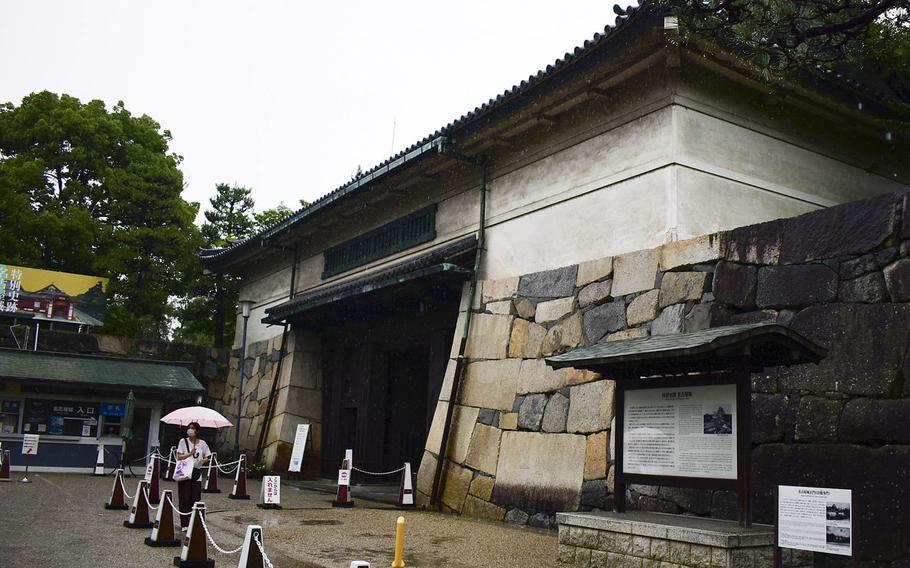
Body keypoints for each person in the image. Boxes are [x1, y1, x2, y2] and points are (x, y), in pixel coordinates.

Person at [175, 421, 211, 530]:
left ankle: (193, 520)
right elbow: (179, 456)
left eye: (193, 428)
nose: (190, 430)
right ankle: (184, 523)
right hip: (185, 472)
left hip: (196, 472)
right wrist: (190, 453)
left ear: (197, 431)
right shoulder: (183, 441)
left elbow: (208, 456)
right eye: (189, 428)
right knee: (184, 498)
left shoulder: (202, 443)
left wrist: (203, 461)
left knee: (195, 497)